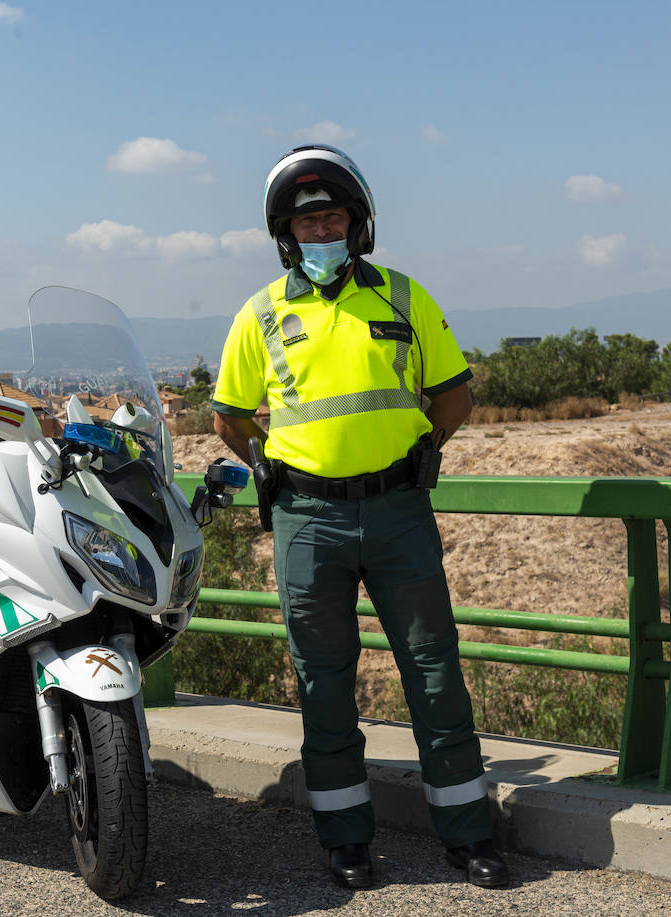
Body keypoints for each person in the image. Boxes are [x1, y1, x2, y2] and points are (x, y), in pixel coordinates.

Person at [211, 144, 508, 890]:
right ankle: (346, 841)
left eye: (333, 218)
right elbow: (228, 416)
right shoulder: (261, 314)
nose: (321, 234)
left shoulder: (404, 298)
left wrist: (416, 454)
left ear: (359, 224)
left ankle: (470, 834)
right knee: (324, 683)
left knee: (435, 674)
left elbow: (453, 396)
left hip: (399, 512)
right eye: (307, 225)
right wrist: (270, 463)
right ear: (287, 237)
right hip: (307, 519)